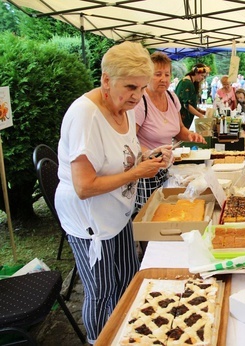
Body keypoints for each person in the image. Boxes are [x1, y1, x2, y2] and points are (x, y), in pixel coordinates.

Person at [55, 42, 170, 345]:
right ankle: (99, 339)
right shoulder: (85, 116)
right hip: (91, 219)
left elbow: (128, 150)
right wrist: (136, 173)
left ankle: (125, 332)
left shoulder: (127, 108)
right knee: (102, 289)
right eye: (130, 86)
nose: (137, 95)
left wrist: (150, 156)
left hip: (118, 212)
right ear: (106, 79)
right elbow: (84, 186)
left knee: (128, 278)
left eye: (142, 88)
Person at [134, 51, 206, 212]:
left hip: (166, 167)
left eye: (167, 74)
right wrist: (150, 153)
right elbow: (129, 141)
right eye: (158, 74)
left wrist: (190, 135)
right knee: (150, 215)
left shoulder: (172, 97)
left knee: (167, 210)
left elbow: (179, 130)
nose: (163, 79)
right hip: (147, 171)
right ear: (147, 75)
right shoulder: (140, 102)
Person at [175, 63, 209, 129]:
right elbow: (186, 105)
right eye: (202, 75)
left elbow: (191, 103)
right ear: (196, 73)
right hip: (181, 119)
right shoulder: (187, 83)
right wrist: (200, 116)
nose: (202, 78)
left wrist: (201, 111)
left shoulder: (188, 82)